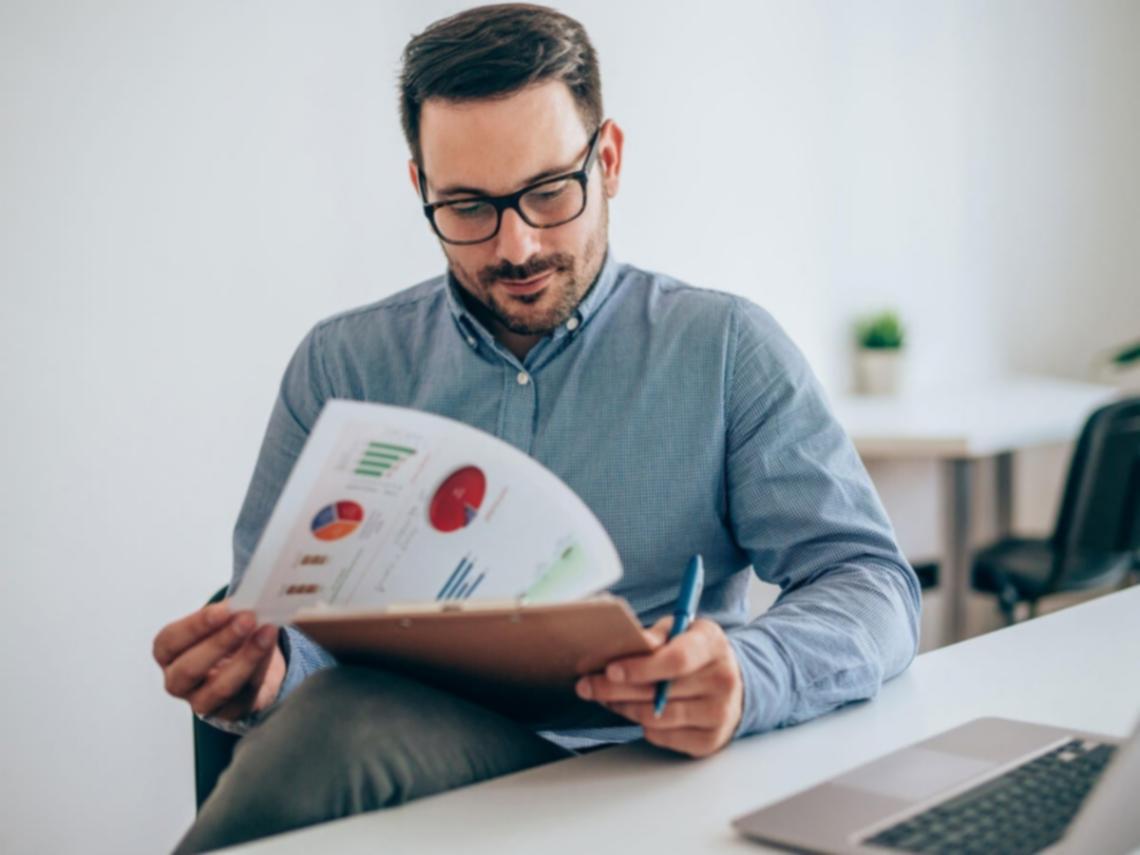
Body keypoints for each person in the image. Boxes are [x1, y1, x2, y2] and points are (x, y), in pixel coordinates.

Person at [154, 4, 921, 851]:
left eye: (550, 192)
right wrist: (262, 673)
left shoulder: (724, 349)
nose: (516, 245)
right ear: (420, 188)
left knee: (341, 722)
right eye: (469, 207)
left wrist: (747, 670)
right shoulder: (342, 367)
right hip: (422, 781)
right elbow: (289, 627)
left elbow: (871, 580)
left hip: (646, 776)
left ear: (611, 158)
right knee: (339, 716)